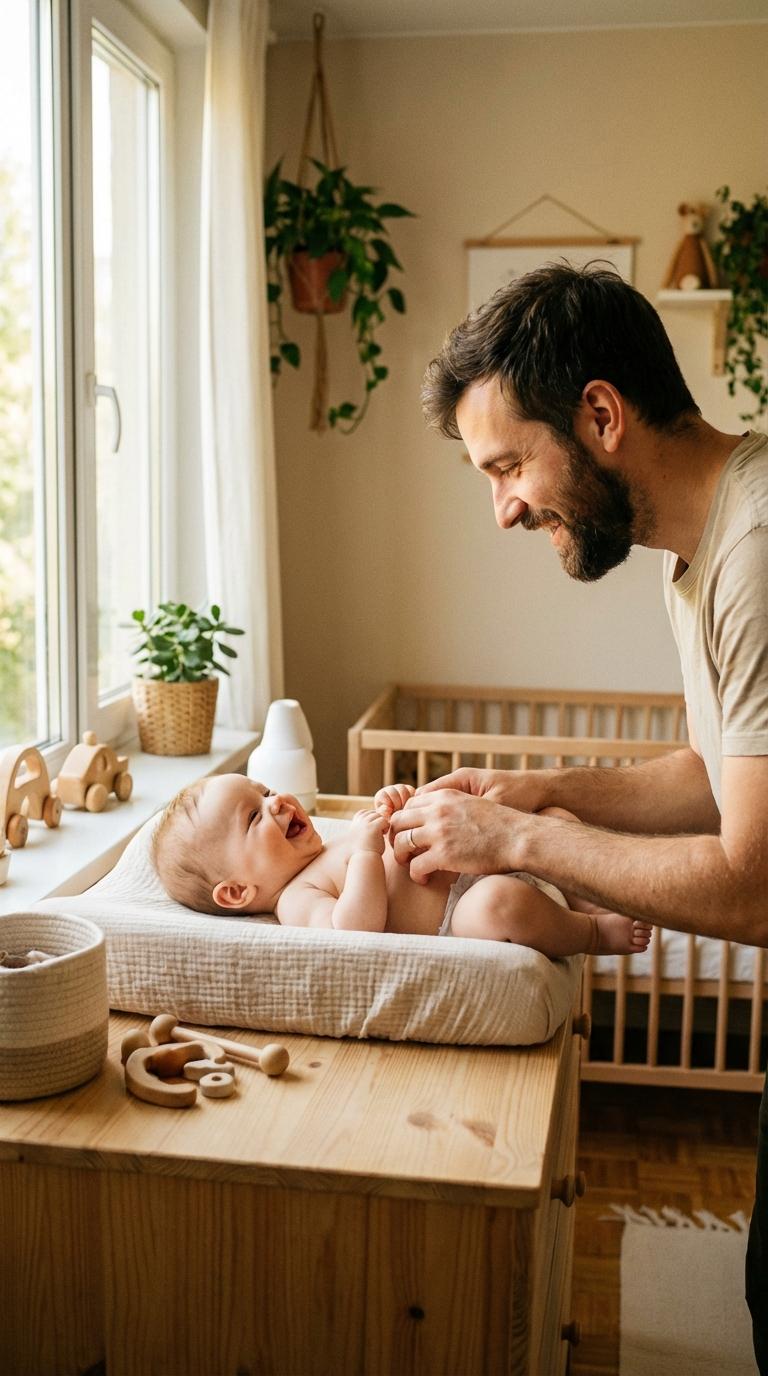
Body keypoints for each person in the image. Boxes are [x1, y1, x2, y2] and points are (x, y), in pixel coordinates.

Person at [384, 261, 768, 1371]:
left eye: (508, 464)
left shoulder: (753, 551)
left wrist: (516, 841)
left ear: (600, 415)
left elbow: (752, 880)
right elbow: (714, 773)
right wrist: (539, 789)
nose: (504, 507)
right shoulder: (698, 546)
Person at [151, 772, 652, 958]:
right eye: (253, 816)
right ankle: (590, 934)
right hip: (460, 917)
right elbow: (354, 930)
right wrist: (369, 852)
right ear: (238, 891)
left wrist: (397, 803)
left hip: (484, 862)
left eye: (265, 790)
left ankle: (590, 894)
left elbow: (399, 838)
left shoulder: (331, 844)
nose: (278, 801)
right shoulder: (295, 901)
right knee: (502, 903)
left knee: (552, 820)